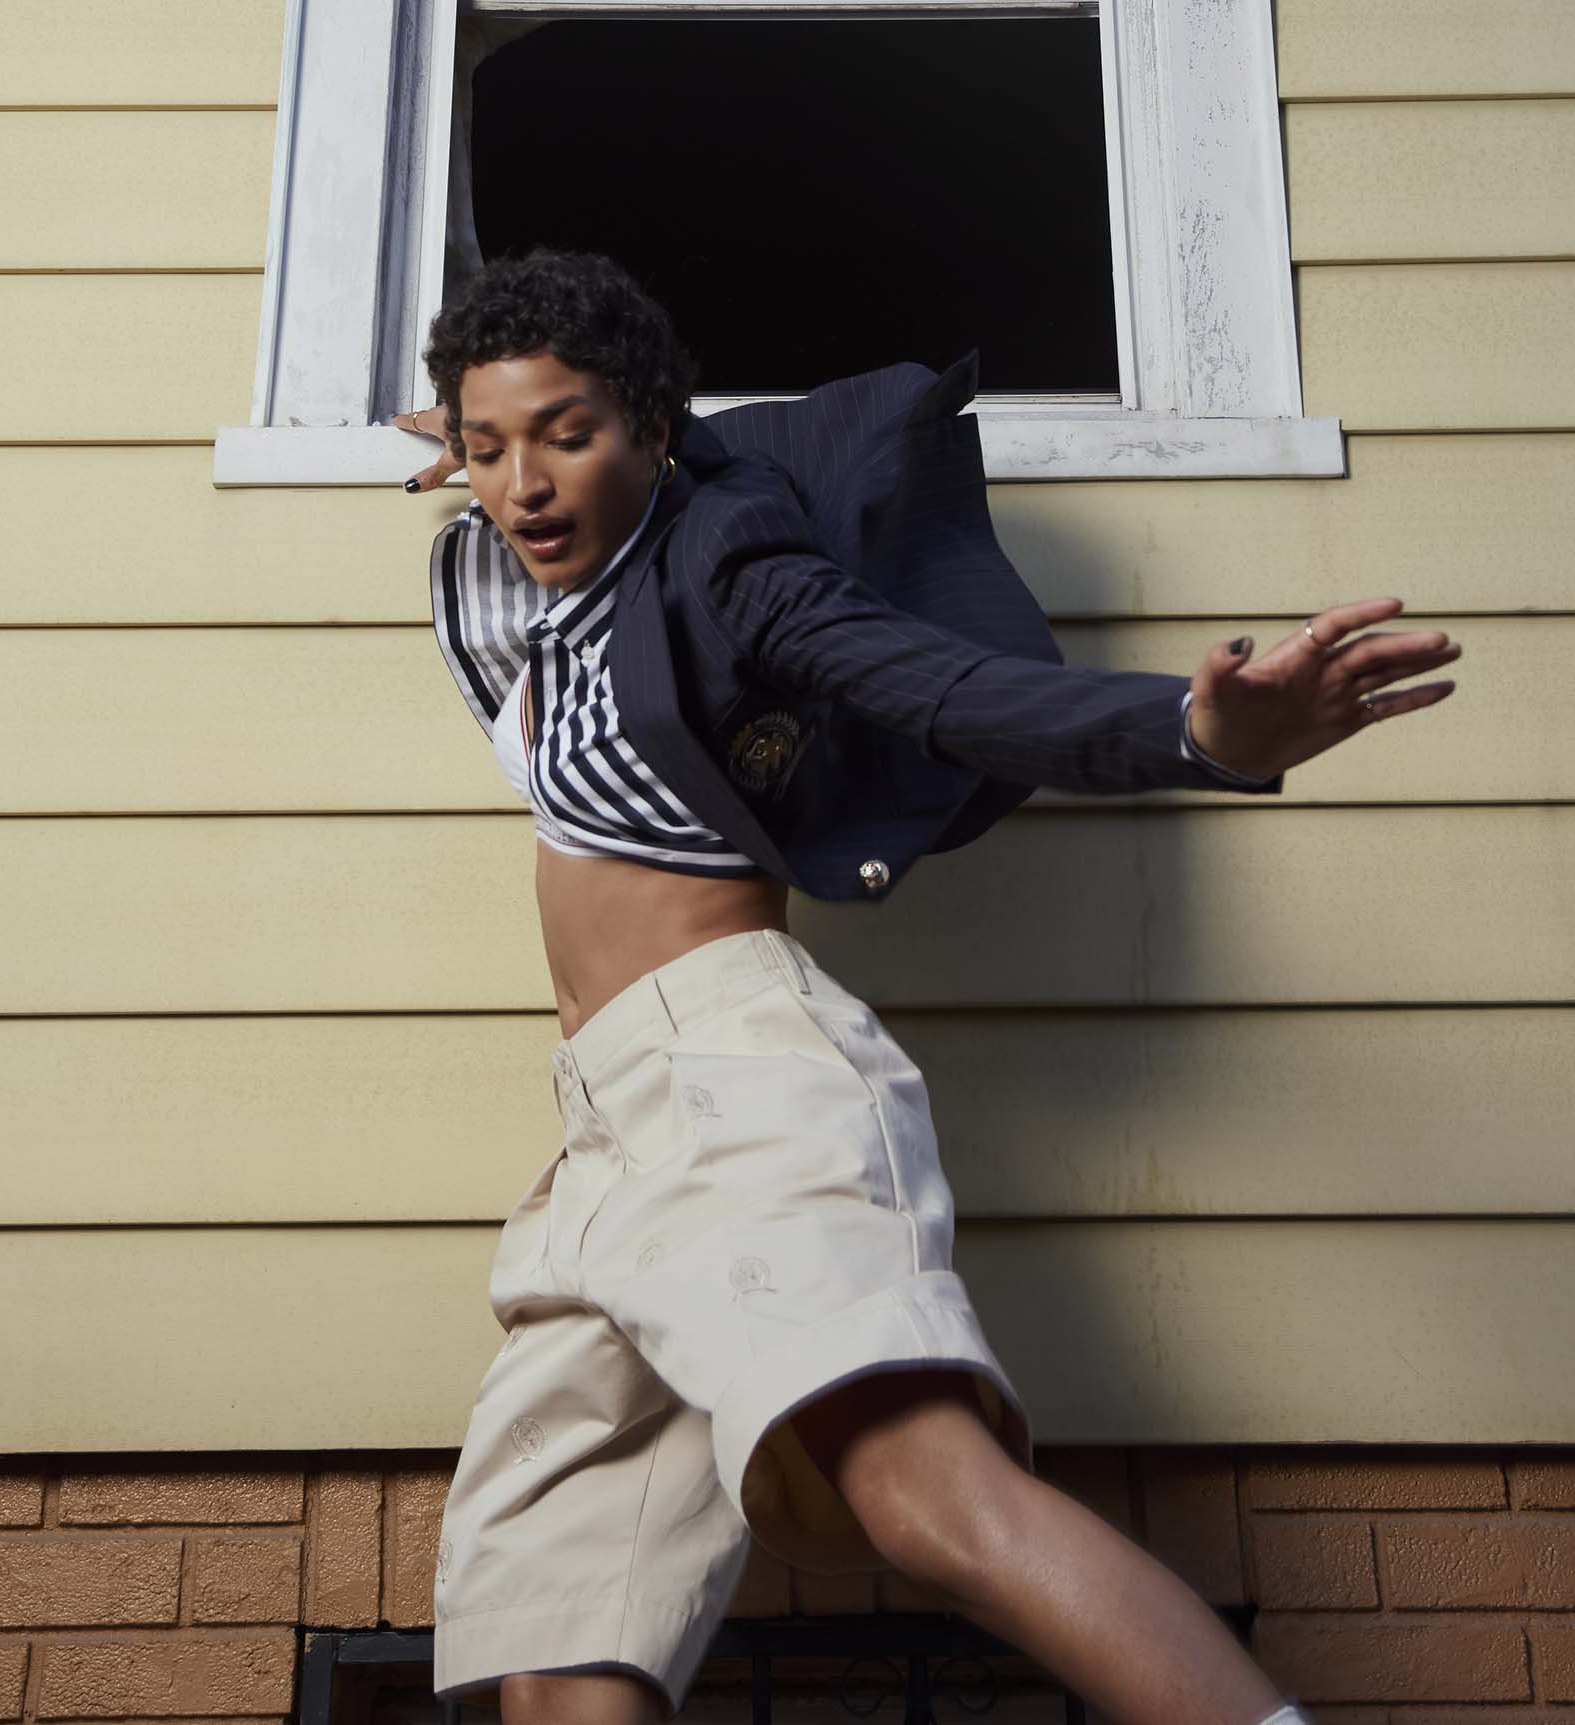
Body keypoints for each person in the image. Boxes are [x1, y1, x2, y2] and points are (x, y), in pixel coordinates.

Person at [394, 247, 1460, 1725]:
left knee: (923, 1493)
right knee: (554, 1639)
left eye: (568, 434)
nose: (524, 485)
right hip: (600, 1143)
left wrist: (1196, 732)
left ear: (650, 426)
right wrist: (471, 426)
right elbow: (497, 448)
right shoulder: (539, 575)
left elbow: (940, 686)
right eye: (488, 446)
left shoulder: (729, 564)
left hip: (733, 1079)